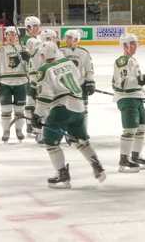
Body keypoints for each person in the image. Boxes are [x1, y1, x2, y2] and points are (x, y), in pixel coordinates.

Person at [31, 41, 106, 189]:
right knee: (81, 140)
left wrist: (37, 115)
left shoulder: (44, 69)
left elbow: (46, 95)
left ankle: (62, 173)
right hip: (78, 108)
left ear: (42, 55)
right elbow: (77, 77)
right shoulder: (68, 62)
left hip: (61, 109)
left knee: (50, 142)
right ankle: (96, 165)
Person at [112, 33, 145, 172]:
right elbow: (124, 83)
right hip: (127, 99)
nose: (136, 46)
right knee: (130, 129)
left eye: (136, 43)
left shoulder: (132, 60)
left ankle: (136, 155)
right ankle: (124, 158)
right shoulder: (122, 61)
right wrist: (143, 79)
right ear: (125, 45)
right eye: (133, 43)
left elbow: (129, 81)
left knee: (142, 126)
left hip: (135, 97)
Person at [0, 26, 31, 144]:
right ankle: (6, 131)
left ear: (17, 36)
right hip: (5, 83)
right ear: (5, 36)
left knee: (19, 110)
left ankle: (19, 130)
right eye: (8, 35)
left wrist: (28, 59)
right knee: (6, 109)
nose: (10, 37)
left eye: (13, 35)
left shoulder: (24, 49)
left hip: (21, 83)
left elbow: (31, 67)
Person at [28, 29, 61, 144]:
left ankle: (50, 131)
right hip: (42, 84)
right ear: (48, 38)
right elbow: (33, 69)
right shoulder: (37, 51)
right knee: (42, 108)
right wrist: (33, 85)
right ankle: (39, 132)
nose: (56, 39)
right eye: (54, 37)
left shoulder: (56, 50)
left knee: (53, 109)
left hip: (55, 84)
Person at [60, 29, 95, 130]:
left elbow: (89, 68)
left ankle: (83, 130)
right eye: (66, 37)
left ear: (76, 39)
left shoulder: (84, 52)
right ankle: (65, 130)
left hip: (80, 85)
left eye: (69, 37)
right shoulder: (60, 51)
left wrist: (90, 82)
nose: (67, 39)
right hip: (65, 86)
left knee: (83, 109)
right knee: (65, 109)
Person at [21, 16, 42, 135]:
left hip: (37, 72)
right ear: (28, 27)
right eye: (35, 26)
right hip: (28, 73)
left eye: (38, 26)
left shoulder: (37, 39)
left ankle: (35, 123)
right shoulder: (24, 40)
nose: (37, 28)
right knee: (30, 100)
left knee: (36, 100)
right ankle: (29, 124)